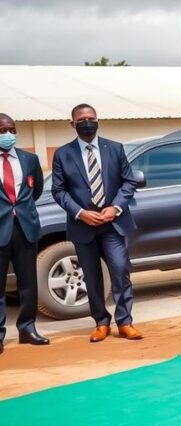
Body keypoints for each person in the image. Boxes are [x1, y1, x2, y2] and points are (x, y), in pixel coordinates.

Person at [51, 104, 141, 343]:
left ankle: (125, 322)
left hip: (113, 223)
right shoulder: (63, 154)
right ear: (73, 124)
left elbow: (128, 182)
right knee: (91, 277)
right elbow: (58, 191)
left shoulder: (115, 148)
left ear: (98, 120)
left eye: (91, 118)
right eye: (82, 119)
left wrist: (116, 207)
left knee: (120, 270)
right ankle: (101, 322)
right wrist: (80, 213)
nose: (87, 122)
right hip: (84, 225)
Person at [0, 113, 48, 354]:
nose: (8, 134)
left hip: (25, 229)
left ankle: (27, 328)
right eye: (2, 130)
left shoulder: (29, 159)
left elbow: (35, 190)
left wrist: (21, 212)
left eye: (11, 129)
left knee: (28, 283)